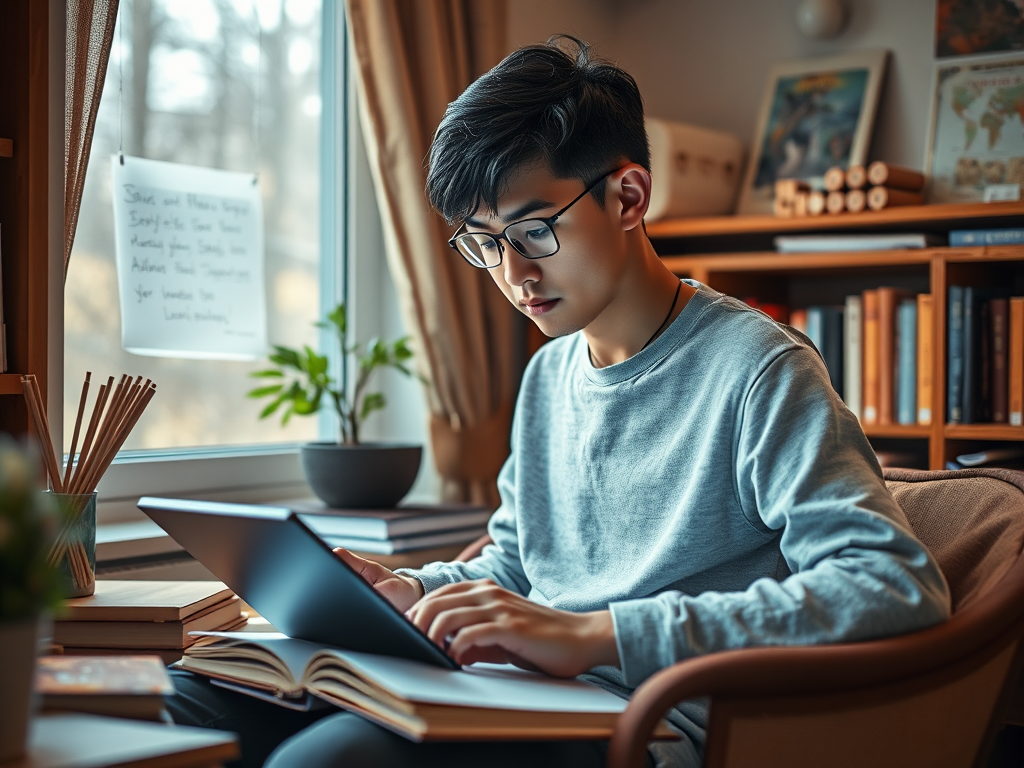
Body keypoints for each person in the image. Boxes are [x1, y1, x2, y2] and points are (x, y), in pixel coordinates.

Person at [166, 36, 951, 768]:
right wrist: (416, 592)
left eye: (533, 230)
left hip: (640, 723)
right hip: (516, 692)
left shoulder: (758, 370)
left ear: (629, 195)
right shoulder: (548, 377)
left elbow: (892, 584)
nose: (512, 275)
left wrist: (599, 635)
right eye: (483, 242)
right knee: (190, 700)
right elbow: (522, 561)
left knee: (326, 759)